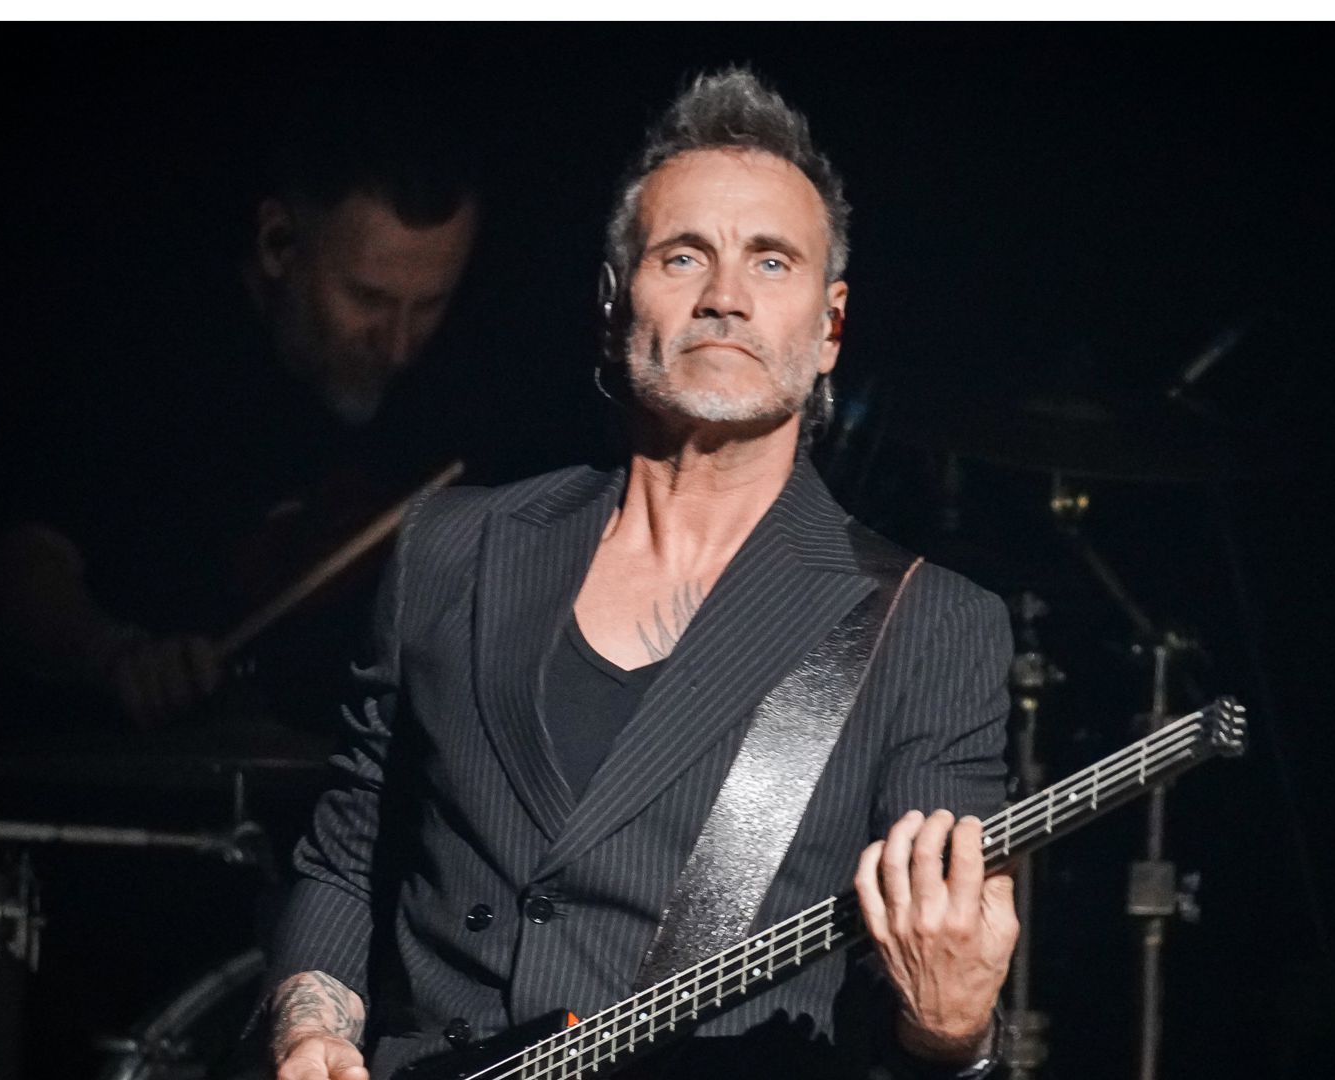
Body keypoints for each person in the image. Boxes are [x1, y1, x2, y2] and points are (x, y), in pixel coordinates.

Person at [266, 69, 1017, 1080]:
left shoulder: (924, 625)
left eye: (772, 262)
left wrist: (953, 1030)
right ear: (615, 303)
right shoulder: (454, 546)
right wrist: (311, 1026)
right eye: (684, 255)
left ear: (830, 327)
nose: (724, 297)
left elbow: (915, 993)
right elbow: (348, 855)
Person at [0, 102, 481, 730]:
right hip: (123, 767)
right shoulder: (145, 359)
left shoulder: (462, 385)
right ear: (278, 243)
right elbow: (18, 571)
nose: (400, 346)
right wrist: (115, 655)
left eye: (429, 304)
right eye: (367, 298)